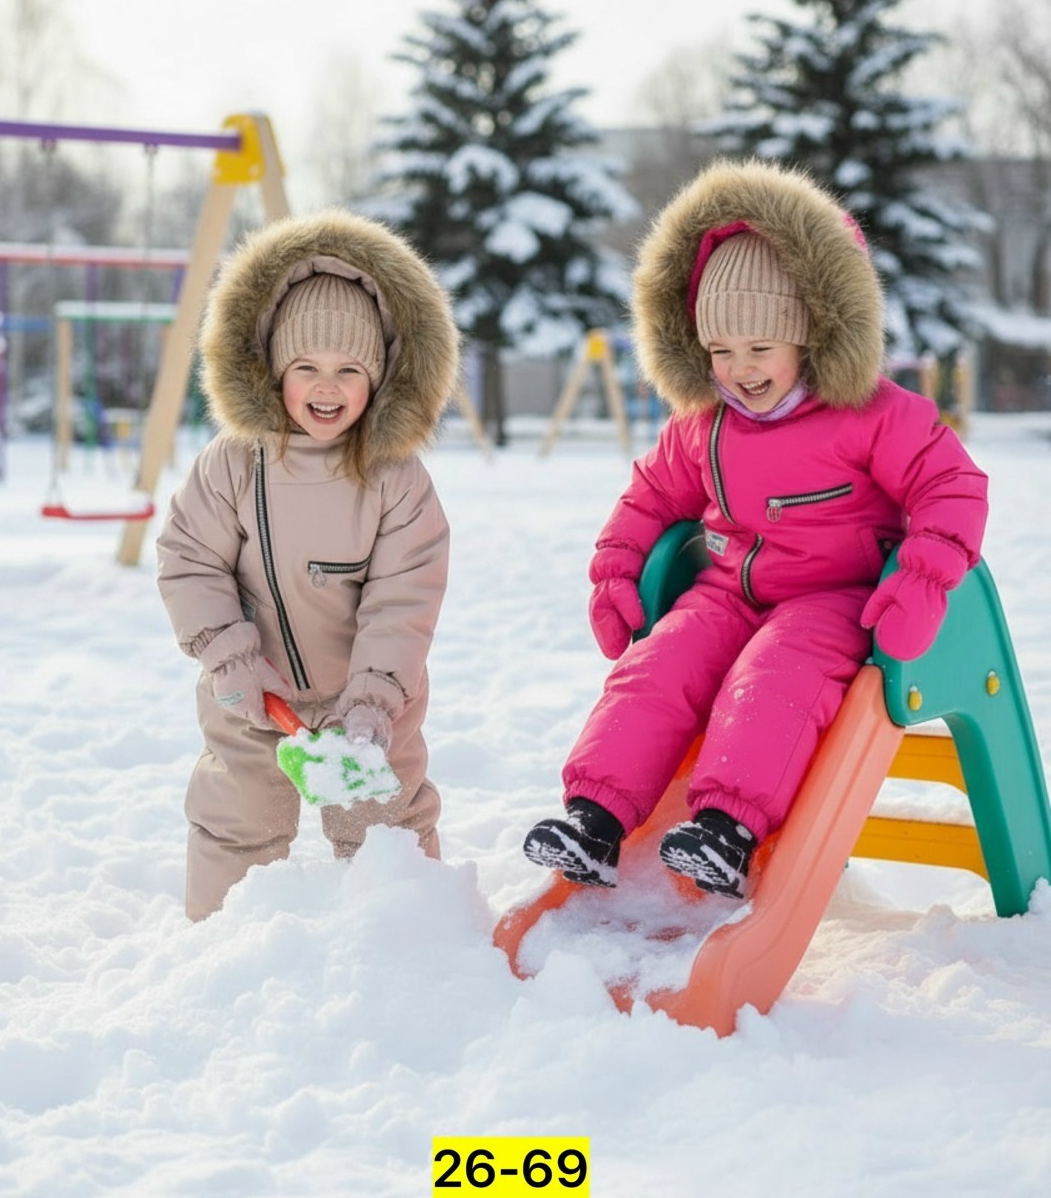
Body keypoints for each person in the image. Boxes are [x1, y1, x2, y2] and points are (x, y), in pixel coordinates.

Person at [524, 159, 989, 898]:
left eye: (759, 349)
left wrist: (921, 579)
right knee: (658, 663)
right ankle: (596, 817)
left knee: (775, 675)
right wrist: (615, 571)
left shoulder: (874, 413)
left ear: (808, 332)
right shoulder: (704, 425)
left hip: (832, 600)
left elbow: (951, 486)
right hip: (726, 592)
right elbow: (649, 497)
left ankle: (726, 829)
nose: (739, 371)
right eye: (720, 352)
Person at [158, 211, 459, 920]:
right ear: (273, 372)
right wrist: (227, 656)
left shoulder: (396, 480)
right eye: (308, 369)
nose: (328, 388)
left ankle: (409, 933)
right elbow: (189, 559)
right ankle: (217, 938)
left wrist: (375, 697)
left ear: (379, 376)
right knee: (237, 814)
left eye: (349, 370)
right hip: (252, 692)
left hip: (365, 701)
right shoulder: (232, 463)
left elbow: (403, 597)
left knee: (388, 817)